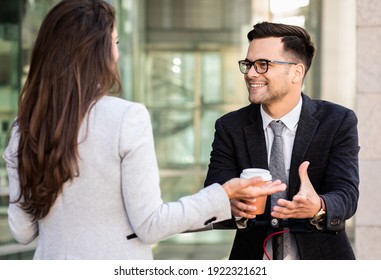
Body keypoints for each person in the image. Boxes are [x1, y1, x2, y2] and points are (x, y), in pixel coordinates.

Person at [3, 1, 287, 260]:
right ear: (97, 52)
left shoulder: (24, 128)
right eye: (114, 42)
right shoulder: (126, 117)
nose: (117, 53)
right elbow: (151, 225)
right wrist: (222, 195)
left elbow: (23, 230)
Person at [204, 21, 360, 260]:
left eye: (263, 65)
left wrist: (318, 205)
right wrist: (231, 205)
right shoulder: (230, 127)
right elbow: (214, 191)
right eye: (248, 64)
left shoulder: (338, 121)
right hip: (251, 257)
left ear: (296, 72)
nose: (251, 73)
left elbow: (346, 194)